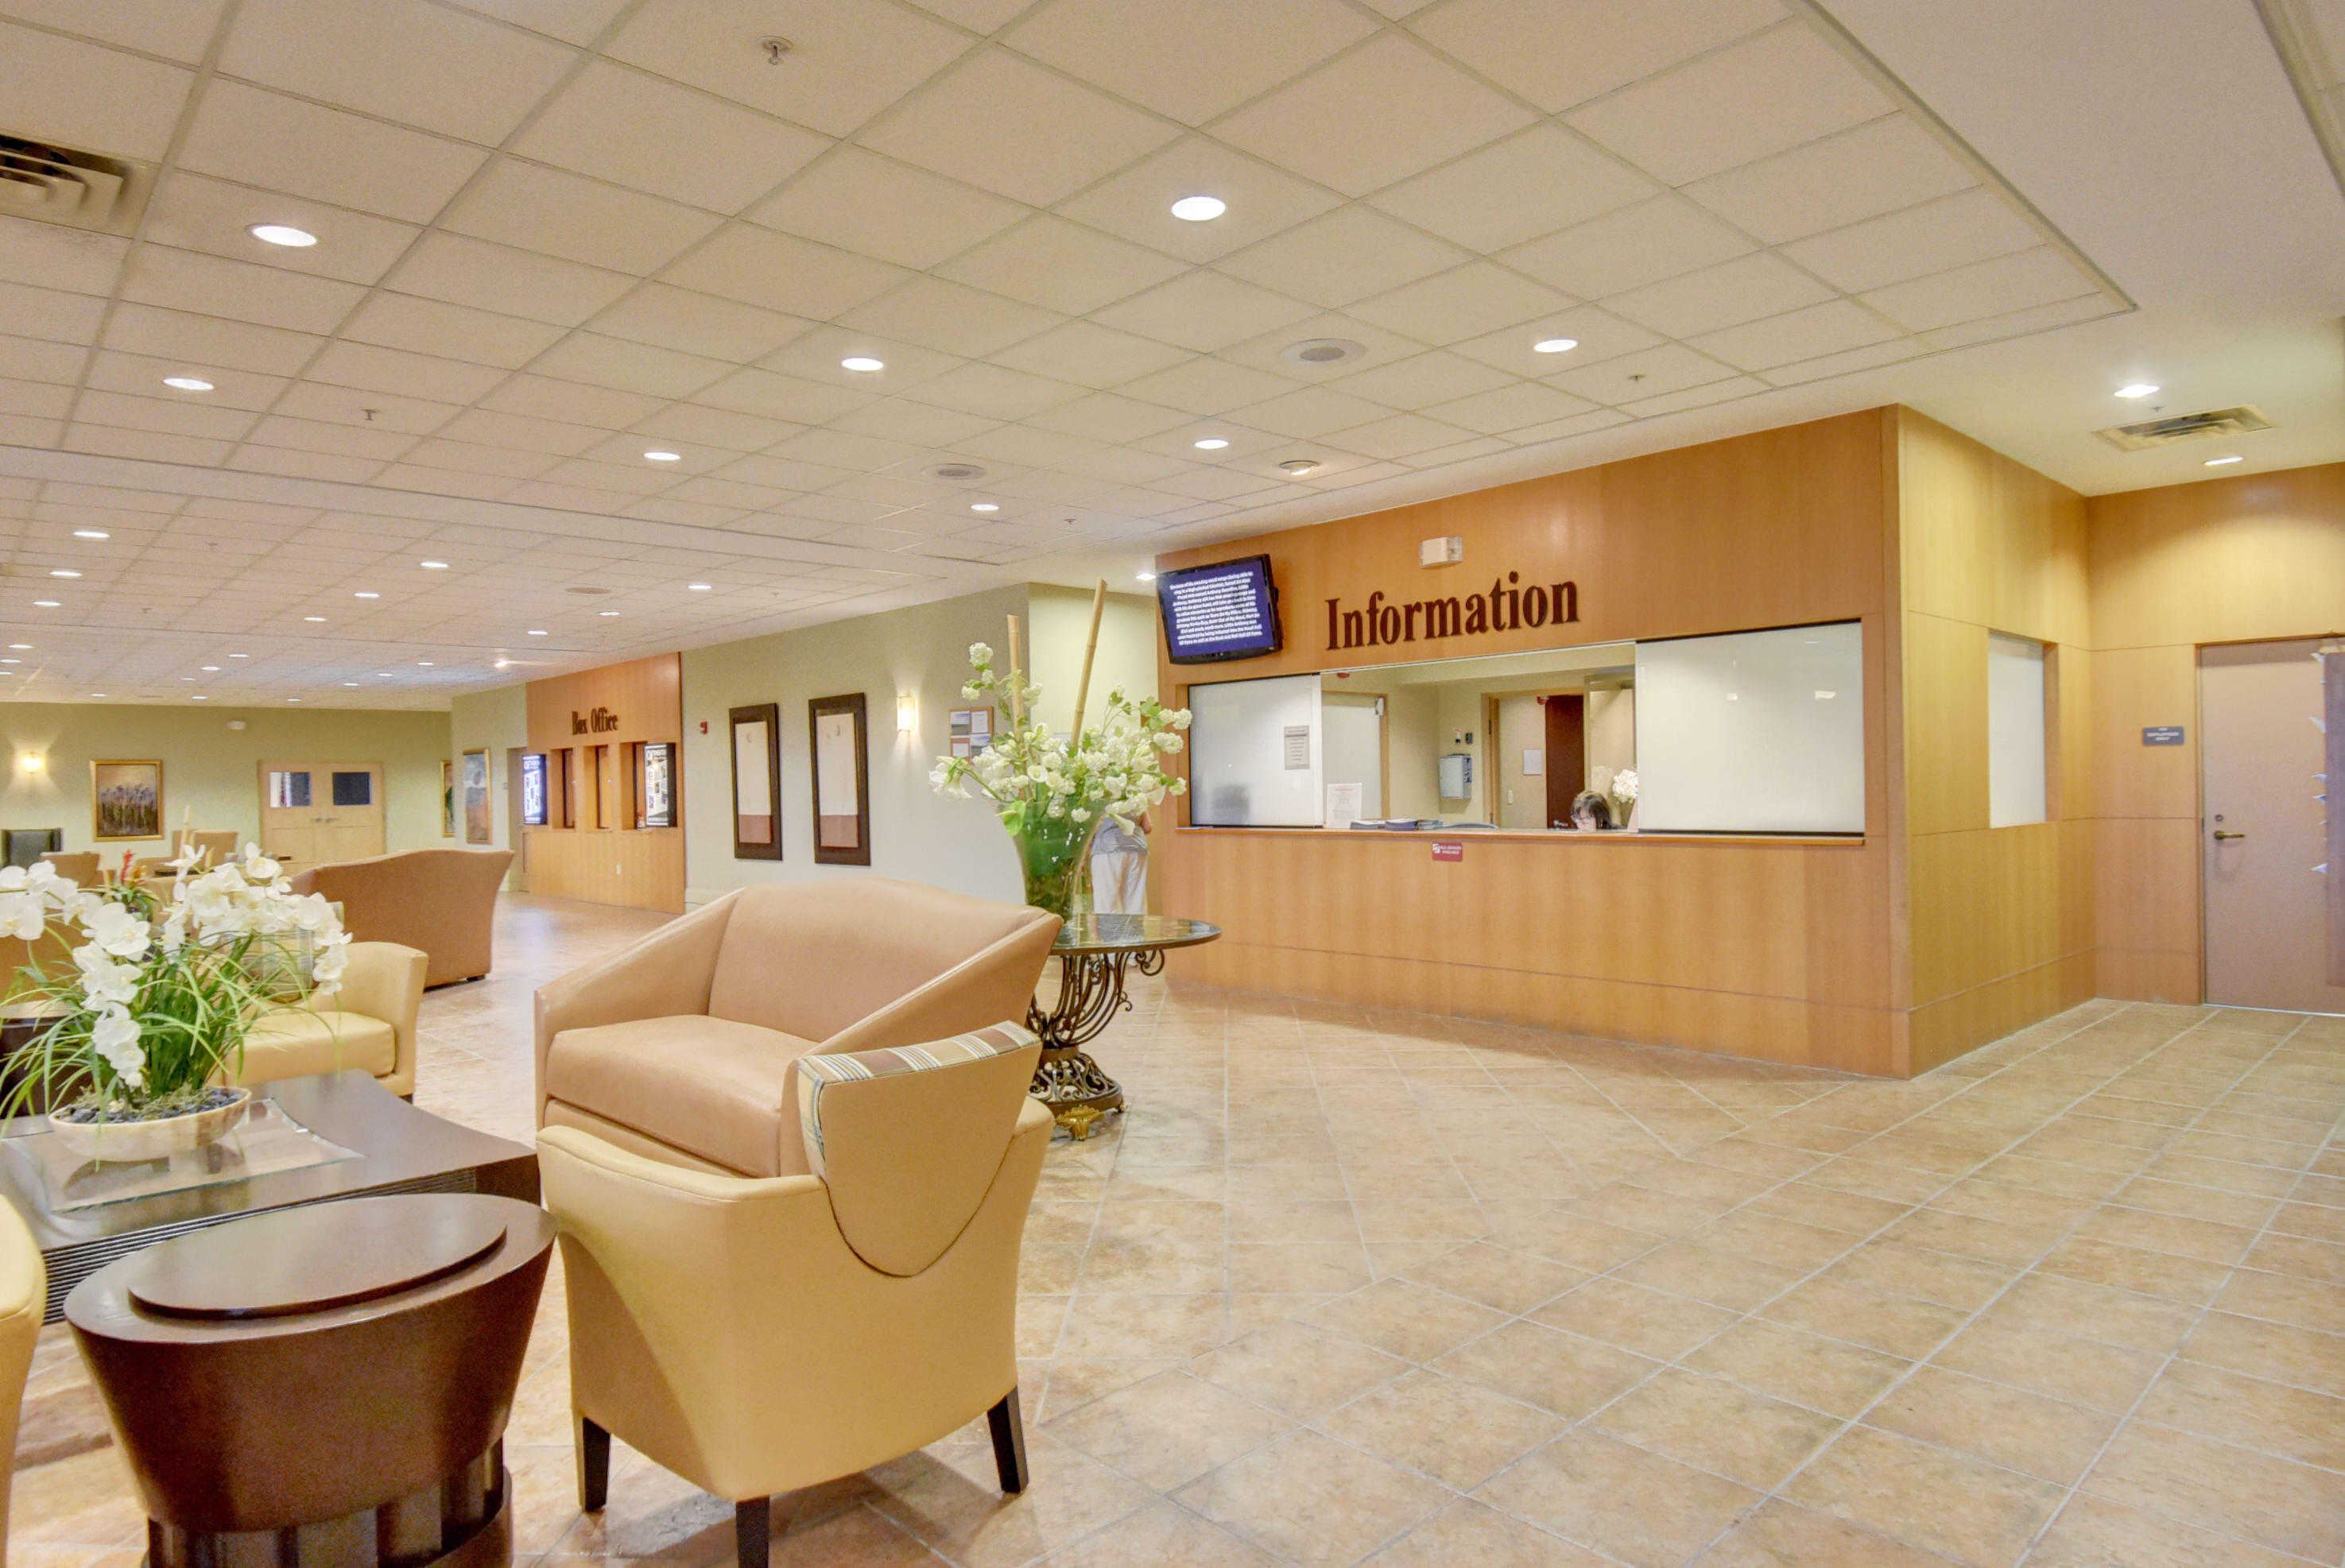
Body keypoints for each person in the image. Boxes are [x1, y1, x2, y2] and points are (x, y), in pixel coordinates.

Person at [1090, 811, 1149, 915]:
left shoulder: (1097, 796)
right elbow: (1148, 826)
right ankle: (1135, 931)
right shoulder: (1136, 794)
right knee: (1135, 903)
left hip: (1106, 848)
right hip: (1136, 848)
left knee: (1106, 904)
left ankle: (1110, 931)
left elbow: (1090, 828)